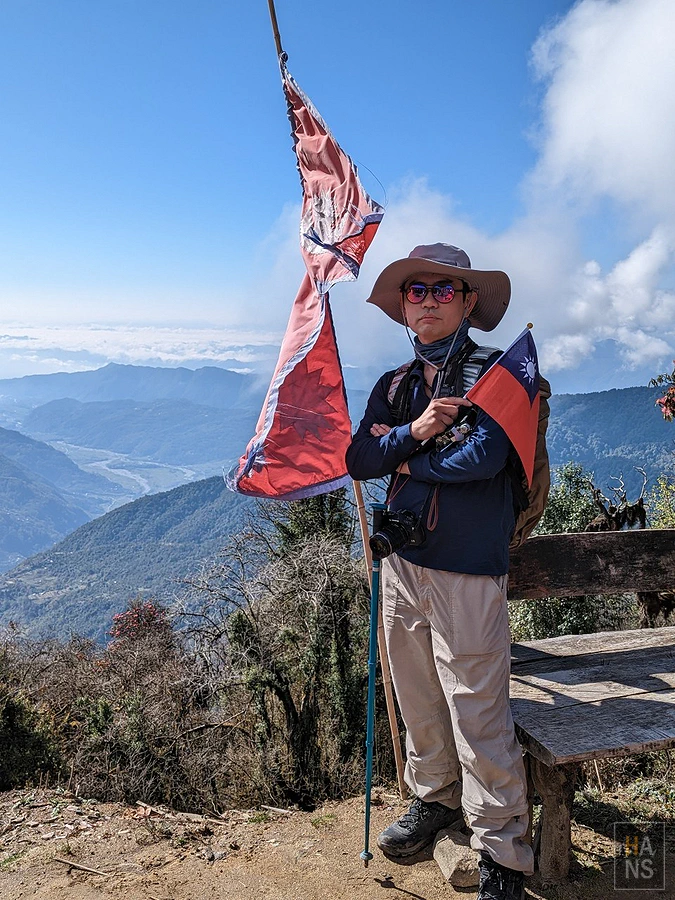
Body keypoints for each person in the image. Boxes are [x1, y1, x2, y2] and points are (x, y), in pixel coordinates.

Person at [346, 243, 534, 900]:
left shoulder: (501, 376)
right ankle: (436, 801)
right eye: (415, 289)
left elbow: (481, 460)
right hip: (402, 567)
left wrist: (403, 457)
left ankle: (503, 851)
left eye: (441, 289)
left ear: (467, 302)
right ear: (402, 303)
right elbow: (357, 455)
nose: (426, 299)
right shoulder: (397, 386)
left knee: (477, 712)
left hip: (466, 573)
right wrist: (416, 430)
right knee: (421, 702)